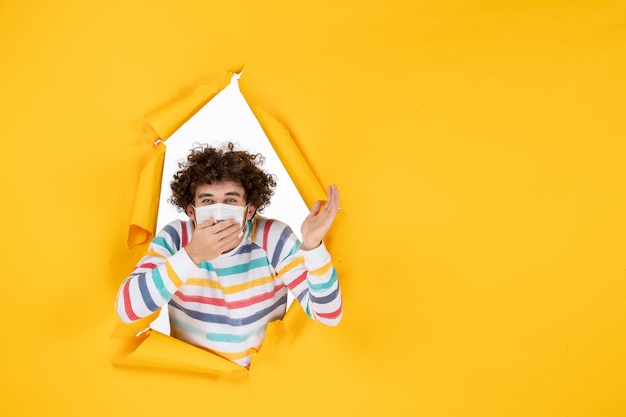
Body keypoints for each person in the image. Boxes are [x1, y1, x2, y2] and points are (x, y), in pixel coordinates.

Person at [115, 142, 342, 369]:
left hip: (258, 384)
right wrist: (192, 255)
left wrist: (313, 246)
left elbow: (328, 314)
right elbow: (127, 309)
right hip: (193, 380)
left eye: (231, 200)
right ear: (191, 211)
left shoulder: (272, 237)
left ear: (249, 210)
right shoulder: (176, 237)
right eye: (207, 201)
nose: (219, 210)